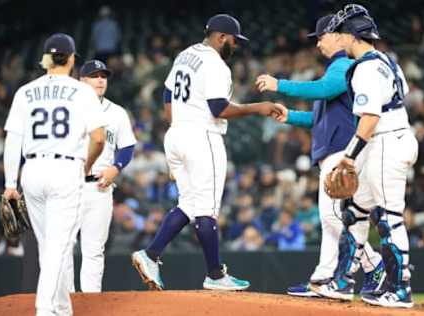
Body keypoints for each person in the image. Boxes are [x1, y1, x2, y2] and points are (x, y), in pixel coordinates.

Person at [131, 14, 283, 291]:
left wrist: (180, 121)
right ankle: (214, 275)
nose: (235, 45)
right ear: (221, 36)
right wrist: (257, 107)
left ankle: (151, 255)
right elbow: (218, 109)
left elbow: (166, 95)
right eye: (234, 39)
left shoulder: (185, 55)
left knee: (190, 204)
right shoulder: (215, 63)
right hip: (201, 136)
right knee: (207, 209)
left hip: (177, 132)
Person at [256, 14, 385, 300]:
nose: (318, 44)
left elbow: (324, 89)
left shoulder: (345, 65)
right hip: (333, 149)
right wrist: (290, 116)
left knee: (334, 216)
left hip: (344, 150)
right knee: (330, 218)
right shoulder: (334, 69)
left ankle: (373, 265)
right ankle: (324, 277)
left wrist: (280, 85)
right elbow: (319, 118)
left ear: (337, 34)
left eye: (321, 37)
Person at [312, 5, 418, 308]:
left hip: (386, 141)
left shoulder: (366, 68)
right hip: (389, 139)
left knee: (388, 218)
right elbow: (399, 96)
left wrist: (348, 157)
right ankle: (342, 282)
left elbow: (370, 116)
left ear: (351, 34)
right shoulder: (388, 62)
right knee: (355, 212)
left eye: (341, 31)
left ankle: (400, 289)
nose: (337, 36)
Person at [3, 33, 106, 315]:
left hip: (32, 171)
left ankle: (62, 307)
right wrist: (86, 166)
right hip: (66, 168)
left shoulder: (25, 91)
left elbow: (13, 138)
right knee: (59, 246)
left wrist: (10, 183)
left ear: (46, 59)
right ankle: (44, 309)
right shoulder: (82, 91)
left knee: (49, 245)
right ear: (72, 59)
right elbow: (98, 138)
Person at [67, 59, 137, 293]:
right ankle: (64, 300)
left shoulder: (116, 113)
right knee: (64, 247)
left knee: (94, 250)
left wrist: (116, 167)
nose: (100, 80)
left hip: (99, 185)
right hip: (68, 185)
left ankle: (90, 302)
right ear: (81, 80)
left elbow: (127, 147)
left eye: (103, 76)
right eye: (94, 75)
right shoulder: (66, 109)